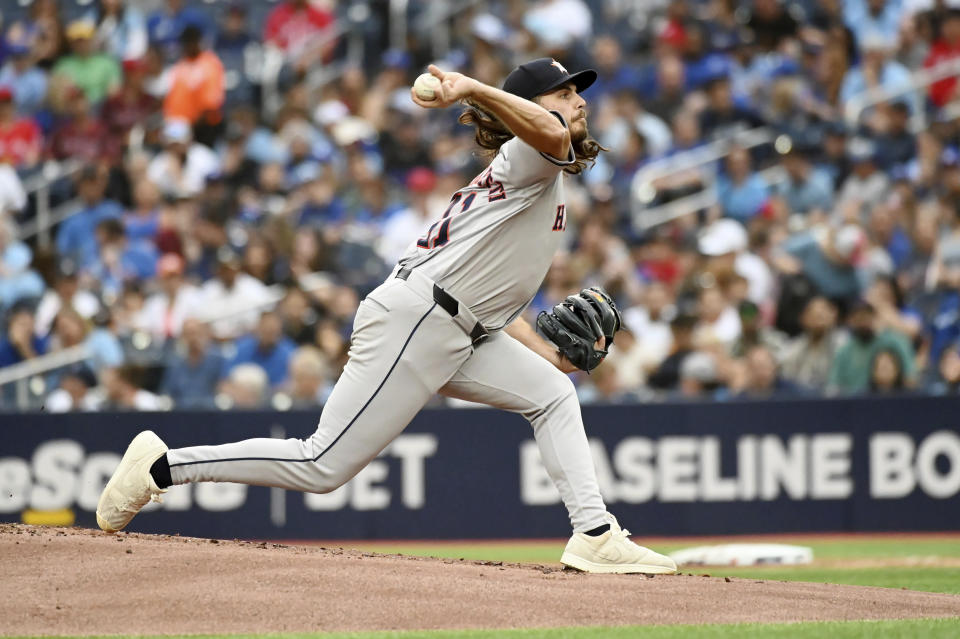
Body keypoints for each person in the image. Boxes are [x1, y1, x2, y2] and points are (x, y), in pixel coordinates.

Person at [96, 59, 677, 575]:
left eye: (577, 90)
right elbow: (546, 130)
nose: (577, 100)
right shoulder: (530, 152)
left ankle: (596, 533)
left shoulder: (539, 175)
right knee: (322, 463)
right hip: (421, 318)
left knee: (552, 392)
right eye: (561, 92)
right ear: (528, 109)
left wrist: (550, 354)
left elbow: (499, 304)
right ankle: (163, 466)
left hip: (460, 324)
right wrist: (473, 87)